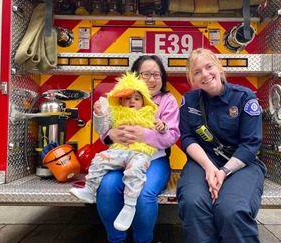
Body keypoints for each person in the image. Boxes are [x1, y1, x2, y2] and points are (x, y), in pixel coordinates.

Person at [176, 48, 267, 243]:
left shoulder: (244, 97)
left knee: (231, 209)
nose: (205, 75)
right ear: (192, 78)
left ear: (219, 67)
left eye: (209, 67)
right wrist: (210, 168)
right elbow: (187, 138)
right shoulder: (189, 100)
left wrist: (223, 171)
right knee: (193, 203)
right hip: (203, 162)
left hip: (242, 163)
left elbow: (251, 144)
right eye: (197, 72)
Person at [96, 55, 180, 243]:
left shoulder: (167, 100)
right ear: (135, 76)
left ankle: (143, 240)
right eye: (146, 74)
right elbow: (105, 128)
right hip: (120, 158)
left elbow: (172, 135)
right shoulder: (120, 98)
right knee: (108, 188)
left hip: (154, 161)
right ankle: (116, 239)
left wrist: (144, 135)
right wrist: (110, 136)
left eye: (157, 75)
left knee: (143, 194)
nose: (152, 79)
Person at [70, 72, 167, 231]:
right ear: (120, 100)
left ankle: (129, 206)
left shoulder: (149, 113)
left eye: (137, 98)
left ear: (144, 101)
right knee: (99, 159)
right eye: (127, 98)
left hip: (140, 153)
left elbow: (163, 130)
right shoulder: (114, 114)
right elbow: (101, 129)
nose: (132, 102)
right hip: (119, 151)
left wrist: (162, 126)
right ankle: (89, 189)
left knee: (134, 172)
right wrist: (99, 114)